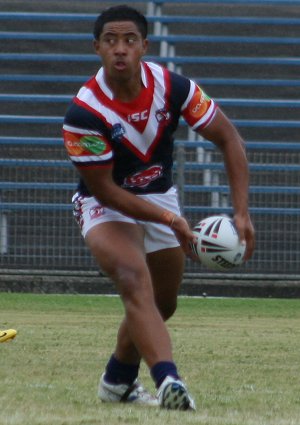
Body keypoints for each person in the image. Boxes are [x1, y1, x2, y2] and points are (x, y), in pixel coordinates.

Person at [63, 4, 255, 411]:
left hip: (159, 195)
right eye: (111, 40)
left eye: (130, 40)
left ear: (145, 46)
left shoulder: (174, 88)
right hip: (104, 204)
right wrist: (172, 219)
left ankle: (117, 382)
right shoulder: (83, 113)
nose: (120, 49)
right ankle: (168, 380)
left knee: (163, 302)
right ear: (96, 47)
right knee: (134, 278)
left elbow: (230, 139)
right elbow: (109, 191)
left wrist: (241, 213)